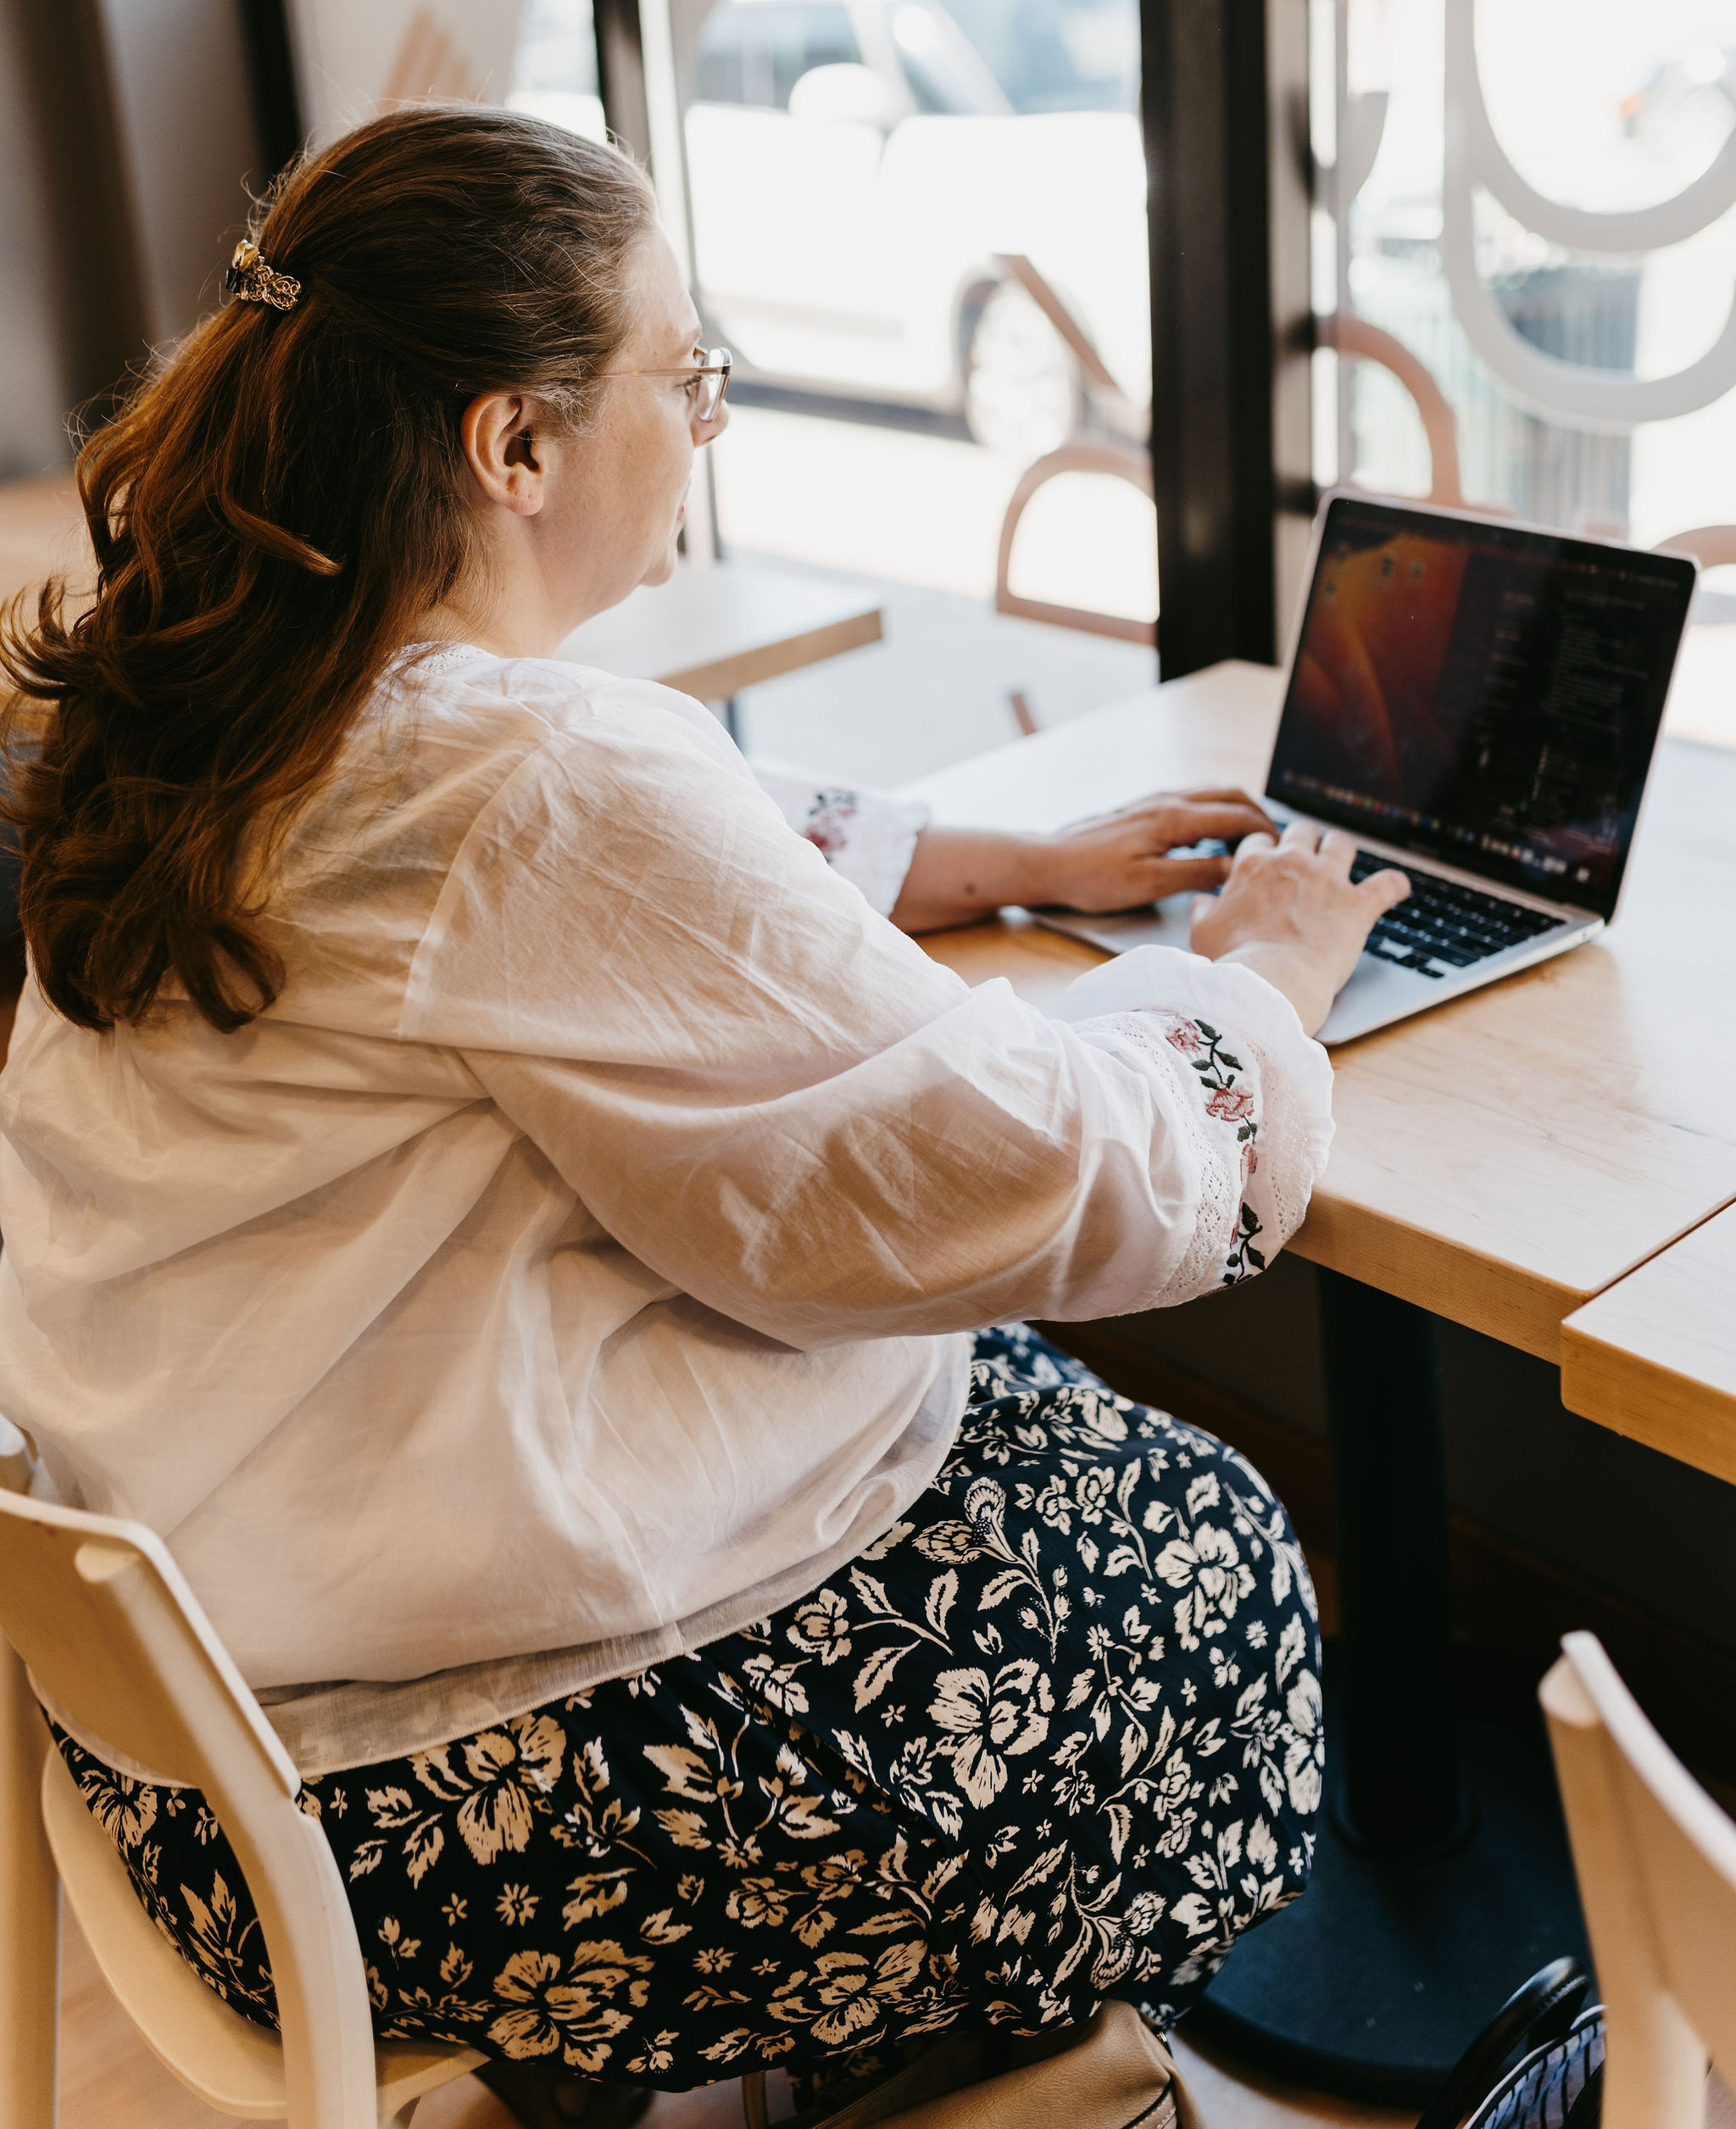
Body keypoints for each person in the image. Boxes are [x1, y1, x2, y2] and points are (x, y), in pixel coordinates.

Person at [0, 109, 1405, 2125]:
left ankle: (774, 2044)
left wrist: (983, 855)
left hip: (188, 1747)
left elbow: (612, 897)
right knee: (1219, 1578)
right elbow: (1025, 1171)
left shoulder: (209, 688)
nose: (714, 421)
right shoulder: (536, 781)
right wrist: (1260, 980)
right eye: (692, 374)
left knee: (1012, 1434)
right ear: (516, 445)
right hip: (413, 1820)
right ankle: (840, 2044)